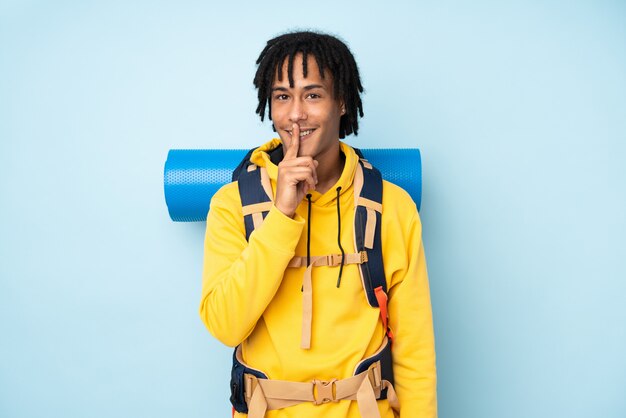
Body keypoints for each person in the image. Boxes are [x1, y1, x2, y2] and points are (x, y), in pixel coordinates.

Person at [199, 31, 437, 418]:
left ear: (341, 101)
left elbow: (415, 355)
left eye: (312, 95)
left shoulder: (392, 207)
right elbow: (226, 325)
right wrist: (281, 216)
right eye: (282, 96)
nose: (295, 114)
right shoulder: (231, 205)